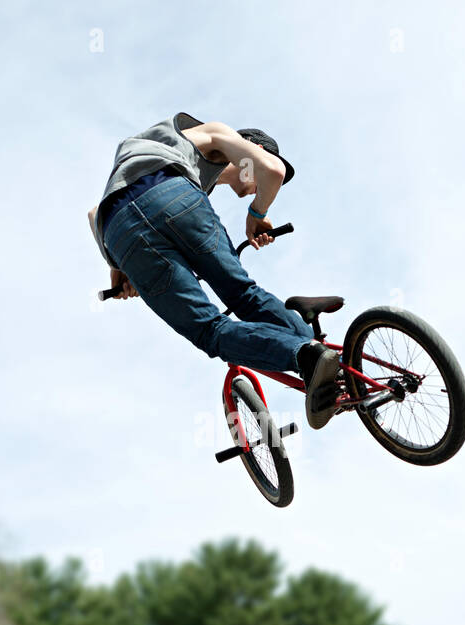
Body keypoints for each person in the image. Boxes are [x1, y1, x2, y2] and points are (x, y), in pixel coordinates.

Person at [89, 113, 341, 429]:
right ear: (250, 151)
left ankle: (315, 359)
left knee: (209, 328)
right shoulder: (212, 133)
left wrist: (120, 268)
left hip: (117, 228)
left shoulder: (175, 153)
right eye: (254, 177)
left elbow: (94, 212)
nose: (254, 190)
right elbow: (272, 171)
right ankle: (313, 355)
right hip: (173, 196)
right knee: (243, 295)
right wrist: (257, 213)